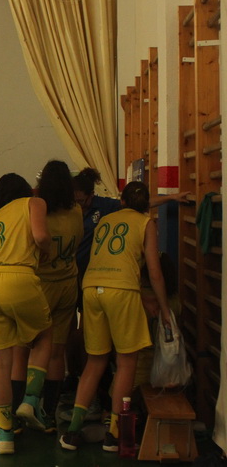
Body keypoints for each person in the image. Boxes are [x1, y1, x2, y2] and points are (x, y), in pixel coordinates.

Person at [60, 181, 172, 453]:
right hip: (121, 292)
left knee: (95, 361)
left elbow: (111, 260)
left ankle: (72, 432)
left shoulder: (106, 220)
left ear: (122, 201)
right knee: (126, 362)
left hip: (91, 288)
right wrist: (165, 308)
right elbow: (154, 272)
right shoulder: (146, 223)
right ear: (146, 205)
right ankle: (114, 433)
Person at [0, 173, 52, 454]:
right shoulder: (33, 202)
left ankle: (5, 434)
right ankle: (30, 401)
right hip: (17, 276)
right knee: (44, 335)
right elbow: (40, 236)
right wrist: (48, 250)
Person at [16, 160, 83, 432]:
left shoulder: (38, 211)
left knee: (24, 348)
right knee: (56, 352)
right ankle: (49, 414)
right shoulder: (77, 211)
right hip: (68, 283)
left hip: (41, 285)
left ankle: (21, 405)